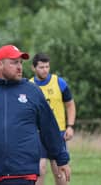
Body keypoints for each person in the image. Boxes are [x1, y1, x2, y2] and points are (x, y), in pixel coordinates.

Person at [0, 44, 71, 185]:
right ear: (0, 64)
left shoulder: (33, 92)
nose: (19, 67)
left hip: (23, 173)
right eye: (14, 62)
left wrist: (61, 159)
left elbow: (49, 127)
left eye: (21, 63)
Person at [30, 53, 76, 185]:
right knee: (40, 169)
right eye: (41, 67)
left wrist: (70, 126)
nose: (45, 70)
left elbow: (70, 104)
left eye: (47, 67)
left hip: (58, 132)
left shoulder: (59, 83)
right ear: (34, 68)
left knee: (59, 172)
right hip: (37, 134)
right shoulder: (29, 85)